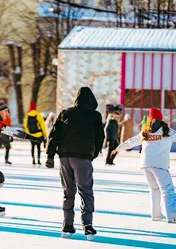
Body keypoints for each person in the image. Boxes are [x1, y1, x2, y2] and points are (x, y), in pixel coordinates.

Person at [45, 87, 104, 241]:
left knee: (68, 192)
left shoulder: (66, 113)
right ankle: (88, 226)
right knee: (86, 191)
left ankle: (67, 226)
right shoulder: (95, 115)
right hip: (82, 158)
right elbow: (100, 138)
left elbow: (54, 135)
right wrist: (92, 155)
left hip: (65, 157)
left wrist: (50, 156)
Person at [113, 108, 176, 223]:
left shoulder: (146, 131)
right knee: (167, 190)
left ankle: (156, 215)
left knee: (154, 189)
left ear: (150, 118)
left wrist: (118, 148)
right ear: (161, 117)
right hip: (160, 165)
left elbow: (132, 141)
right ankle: (172, 216)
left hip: (146, 164)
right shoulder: (168, 131)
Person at [24, 102, 47, 167]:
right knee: (38, 148)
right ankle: (39, 160)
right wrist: (44, 134)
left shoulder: (27, 116)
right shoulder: (38, 115)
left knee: (32, 147)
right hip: (38, 134)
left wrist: (29, 133)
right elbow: (43, 125)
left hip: (31, 135)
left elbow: (25, 126)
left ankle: (33, 160)